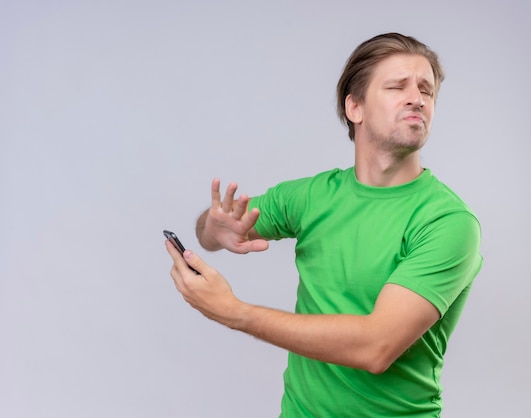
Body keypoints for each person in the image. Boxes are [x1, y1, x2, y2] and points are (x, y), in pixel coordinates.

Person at [165, 32, 483, 417]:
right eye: (397, 86)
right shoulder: (311, 197)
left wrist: (234, 312)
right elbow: (211, 231)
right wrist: (214, 231)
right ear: (355, 107)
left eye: (426, 90)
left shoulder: (447, 222)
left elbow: (376, 347)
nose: (417, 97)